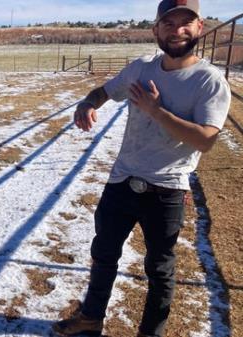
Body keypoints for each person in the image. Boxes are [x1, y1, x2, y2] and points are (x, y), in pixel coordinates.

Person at [51, 1, 231, 336]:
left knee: (159, 268)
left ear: (199, 27)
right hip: (122, 180)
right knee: (103, 254)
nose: (176, 30)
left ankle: (151, 332)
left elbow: (206, 139)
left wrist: (156, 111)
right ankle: (91, 317)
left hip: (167, 189)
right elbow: (103, 91)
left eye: (185, 23)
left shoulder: (209, 81)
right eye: (168, 23)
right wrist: (88, 103)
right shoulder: (141, 69)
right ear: (155, 30)